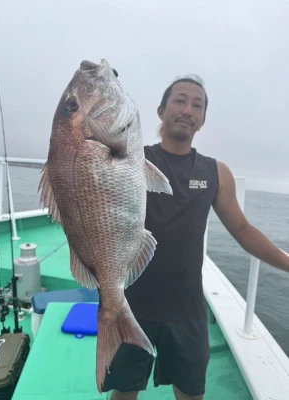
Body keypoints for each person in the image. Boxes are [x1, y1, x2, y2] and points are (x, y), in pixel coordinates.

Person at [103, 75, 289, 400]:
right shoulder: (133, 160)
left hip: (186, 310)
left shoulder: (215, 173)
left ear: (202, 120)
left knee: (190, 394)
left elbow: (243, 230)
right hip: (131, 304)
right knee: (124, 391)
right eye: (179, 100)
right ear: (161, 110)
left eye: (197, 104)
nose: (188, 109)